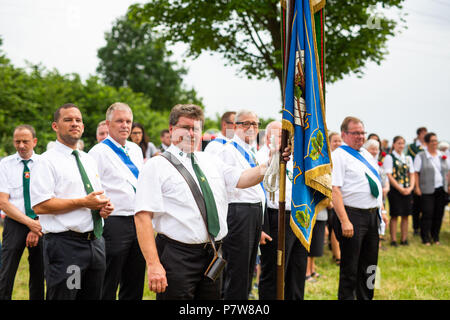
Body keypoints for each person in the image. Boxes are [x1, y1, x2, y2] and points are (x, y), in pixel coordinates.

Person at [134, 104, 290, 300]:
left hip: (213, 254)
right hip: (177, 255)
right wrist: (154, 264)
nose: (191, 133)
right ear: (172, 129)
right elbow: (142, 217)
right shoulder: (157, 165)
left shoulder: (209, 160)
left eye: (196, 128)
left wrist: (272, 161)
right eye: (186, 127)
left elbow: (242, 179)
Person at [30, 103, 114, 300]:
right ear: (55, 126)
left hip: (95, 243)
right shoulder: (46, 161)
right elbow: (41, 205)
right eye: (68, 120)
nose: (74, 123)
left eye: (78, 120)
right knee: (67, 296)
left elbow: (94, 197)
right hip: (68, 249)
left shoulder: (88, 159)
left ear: (83, 127)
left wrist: (103, 207)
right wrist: (84, 202)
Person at [89, 103, 146, 300]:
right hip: (114, 222)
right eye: (120, 121)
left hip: (138, 221)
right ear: (108, 123)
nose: (125, 125)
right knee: (109, 278)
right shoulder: (97, 152)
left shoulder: (136, 149)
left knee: (135, 278)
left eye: (128, 121)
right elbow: (92, 189)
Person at [331, 116, 388, 300]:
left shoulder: (367, 154)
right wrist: (344, 220)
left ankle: (367, 297)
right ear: (344, 134)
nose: (361, 136)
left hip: (372, 215)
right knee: (350, 267)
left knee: (371, 265)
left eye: (363, 132)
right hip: (352, 216)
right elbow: (335, 189)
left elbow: (377, 184)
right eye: (356, 133)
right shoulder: (339, 155)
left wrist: (382, 210)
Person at [217, 110, 267, 300]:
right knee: (237, 270)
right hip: (239, 211)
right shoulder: (228, 150)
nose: (252, 128)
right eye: (246, 123)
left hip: (253, 210)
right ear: (235, 126)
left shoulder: (251, 151)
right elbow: (232, 183)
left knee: (248, 269)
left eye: (255, 124)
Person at [256, 121, 308, 300]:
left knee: (297, 269)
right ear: (267, 137)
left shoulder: (293, 157)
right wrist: (262, 226)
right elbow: (259, 194)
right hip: (275, 218)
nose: (284, 139)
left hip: (297, 217)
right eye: (279, 135)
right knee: (275, 272)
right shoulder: (261, 157)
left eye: (286, 135)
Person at [0, 125, 44, 300]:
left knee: (39, 272)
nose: (21, 146)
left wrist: (35, 226)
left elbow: (49, 197)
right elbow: (3, 202)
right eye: (17, 141)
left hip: (41, 222)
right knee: (6, 272)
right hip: (14, 221)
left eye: (25, 141)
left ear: (34, 141)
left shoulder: (44, 163)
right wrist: (29, 223)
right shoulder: (5, 164)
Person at [413, 132, 449, 246]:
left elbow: (448, 171)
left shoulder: (442, 155)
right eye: (432, 141)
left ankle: (436, 237)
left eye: (436, 141)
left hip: (441, 189)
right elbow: (416, 173)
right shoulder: (421, 156)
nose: (434, 143)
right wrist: (417, 187)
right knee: (427, 213)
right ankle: (425, 238)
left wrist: (448, 185)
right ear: (427, 143)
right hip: (426, 189)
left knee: (439, 214)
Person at [383, 136, 415, 246]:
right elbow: (389, 175)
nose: (401, 146)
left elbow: (412, 174)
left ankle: (404, 238)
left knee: (406, 215)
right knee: (395, 215)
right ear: (394, 144)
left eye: (402, 143)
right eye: (398, 143)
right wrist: (400, 188)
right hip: (395, 190)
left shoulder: (408, 158)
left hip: (407, 189)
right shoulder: (389, 157)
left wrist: (410, 188)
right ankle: (393, 239)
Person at [407, 127, 427, 236]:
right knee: (417, 205)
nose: (424, 135)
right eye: (423, 133)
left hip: (427, 178)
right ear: (419, 134)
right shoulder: (413, 147)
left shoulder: (427, 146)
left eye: (426, 133)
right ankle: (416, 227)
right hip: (416, 176)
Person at [327, 132, 342, 265]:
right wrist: (329, 200)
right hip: (329, 199)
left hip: (341, 197)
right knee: (332, 229)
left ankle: (339, 253)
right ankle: (337, 256)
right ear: (329, 143)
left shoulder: (342, 157)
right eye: (335, 141)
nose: (338, 143)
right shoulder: (327, 158)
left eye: (339, 141)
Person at [305, 207, 327, 283]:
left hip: (321, 216)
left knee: (315, 246)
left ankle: (312, 271)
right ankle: (307, 273)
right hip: (313, 216)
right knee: (311, 246)